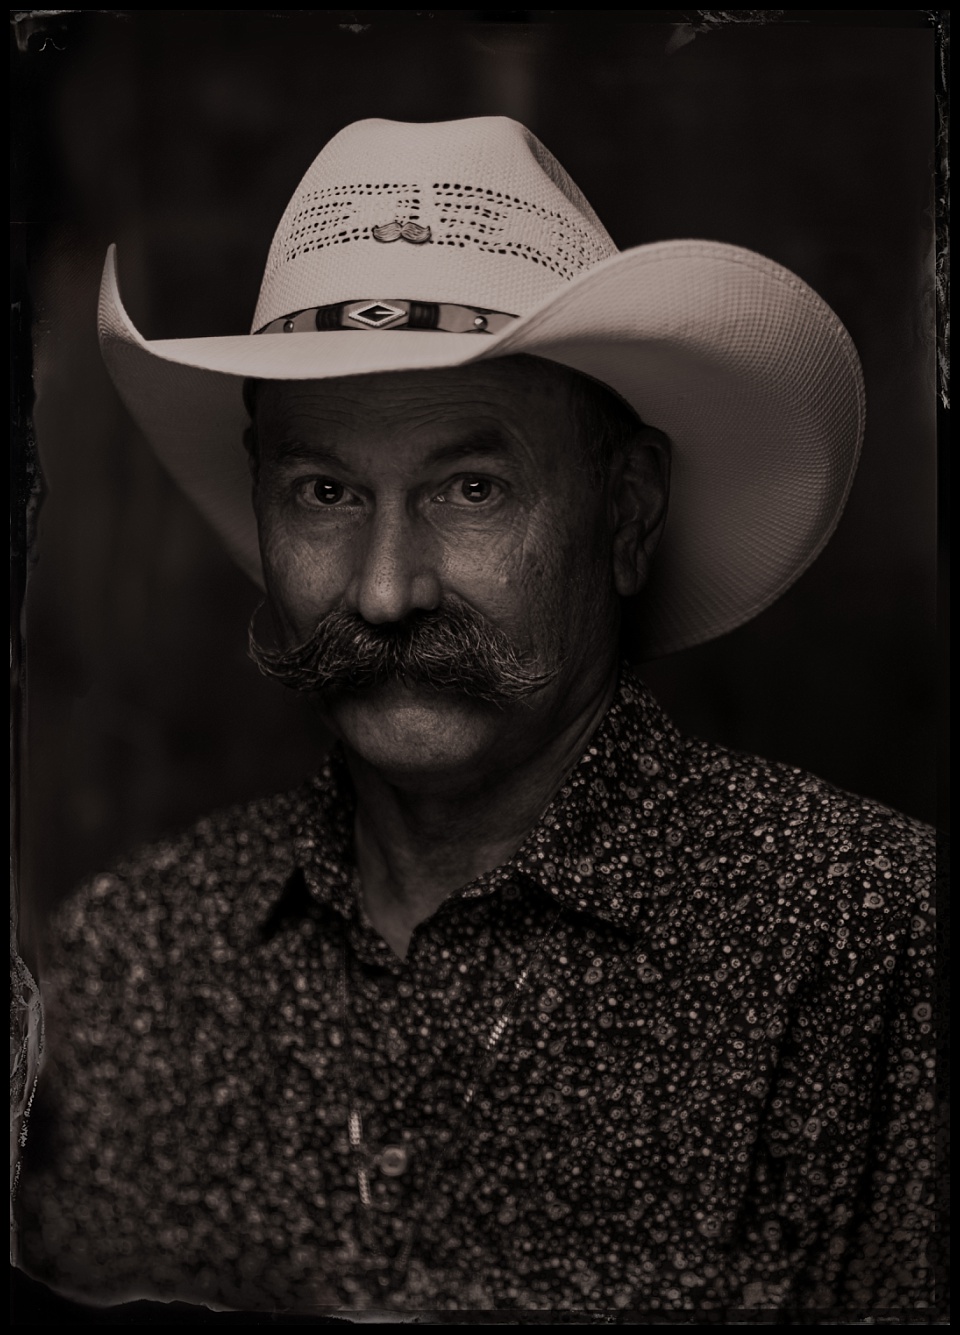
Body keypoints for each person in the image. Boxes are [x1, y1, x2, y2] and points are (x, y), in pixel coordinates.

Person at [15, 116, 937, 1316]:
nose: (388, 590)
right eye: (327, 493)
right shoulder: (133, 962)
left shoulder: (872, 950)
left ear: (629, 514)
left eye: (471, 488)